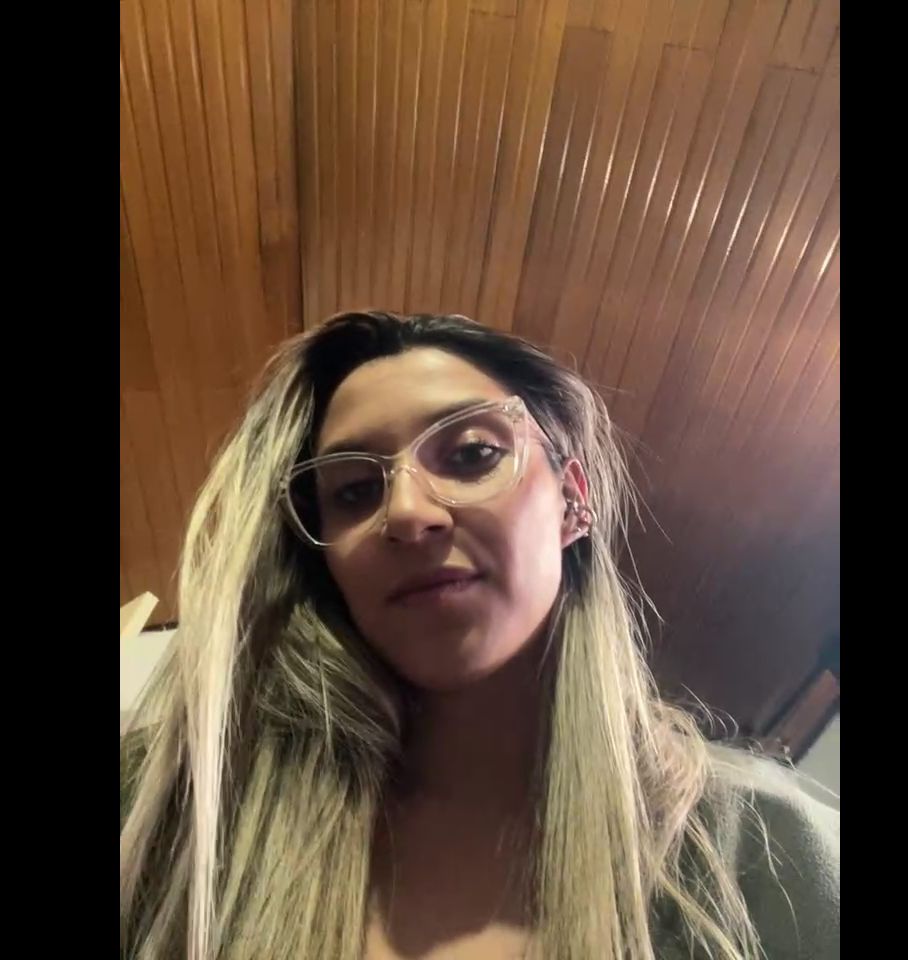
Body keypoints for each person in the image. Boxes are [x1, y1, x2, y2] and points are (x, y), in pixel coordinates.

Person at [120, 311, 839, 960]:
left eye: (470, 455)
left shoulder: (769, 853)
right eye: (354, 490)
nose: (406, 512)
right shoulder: (178, 812)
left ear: (573, 500)